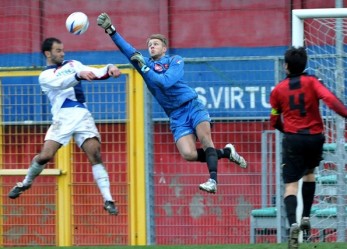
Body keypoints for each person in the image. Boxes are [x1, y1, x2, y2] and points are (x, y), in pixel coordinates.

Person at [96, 13, 247, 194]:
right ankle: (226, 153)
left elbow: (166, 81)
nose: (151, 47)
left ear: (164, 48)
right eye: (149, 45)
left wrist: (144, 68)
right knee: (188, 154)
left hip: (191, 105)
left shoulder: (175, 60)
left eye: (155, 44)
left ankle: (213, 180)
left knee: (206, 140)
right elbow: (127, 50)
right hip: (176, 115)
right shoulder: (146, 64)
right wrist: (110, 30)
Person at [8, 37, 122, 215]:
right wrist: (78, 76)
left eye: (62, 50)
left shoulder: (73, 64)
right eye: (58, 50)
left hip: (82, 115)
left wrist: (110, 67)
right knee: (45, 156)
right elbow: (61, 83)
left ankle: (108, 200)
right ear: (48, 53)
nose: (63, 53)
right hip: (62, 118)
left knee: (95, 153)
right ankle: (26, 182)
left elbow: (96, 72)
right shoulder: (45, 76)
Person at [270, 46, 347, 249]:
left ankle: (293, 225)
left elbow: (274, 119)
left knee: (291, 185)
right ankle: (305, 217)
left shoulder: (278, 90)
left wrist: (285, 129)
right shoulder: (313, 82)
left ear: (286, 66)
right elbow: (330, 100)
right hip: (314, 138)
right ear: (305, 64)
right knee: (310, 173)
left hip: (293, 139)